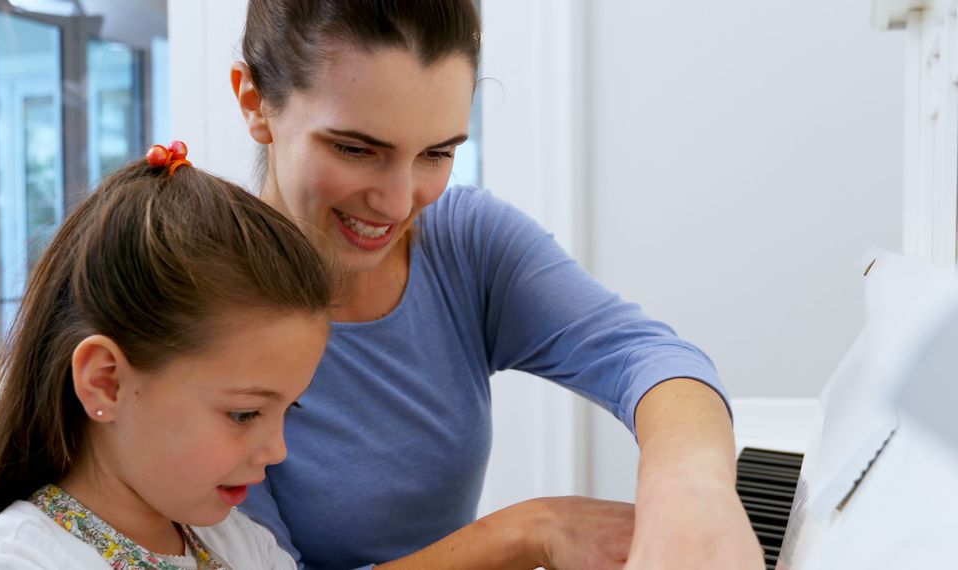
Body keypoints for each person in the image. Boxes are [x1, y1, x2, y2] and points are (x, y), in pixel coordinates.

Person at [229, 1, 764, 569]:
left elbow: (646, 355)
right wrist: (530, 531)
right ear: (256, 103)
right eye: (356, 149)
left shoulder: (465, 241)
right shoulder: (201, 312)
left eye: (437, 153)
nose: (396, 203)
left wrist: (689, 488)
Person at [0, 143, 332, 569]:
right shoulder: (4, 562)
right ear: (105, 382)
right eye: (245, 414)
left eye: (289, 409)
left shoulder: (245, 546)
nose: (277, 450)